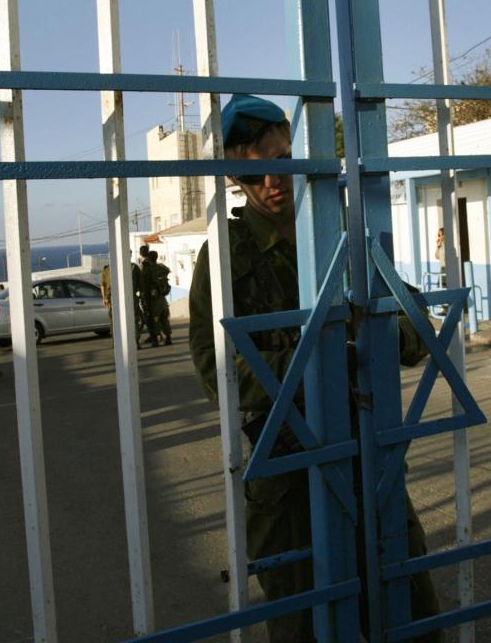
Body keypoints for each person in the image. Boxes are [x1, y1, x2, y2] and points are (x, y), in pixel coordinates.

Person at [189, 94, 442, 642]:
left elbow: (414, 327)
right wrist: (338, 353)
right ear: (235, 177)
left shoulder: (344, 239)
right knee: (307, 623)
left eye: (281, 160)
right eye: (254, 173)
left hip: (366, 454)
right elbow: (219, 373)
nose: (272, 182)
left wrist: (367, 334)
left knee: (408, 610)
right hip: (286, 472)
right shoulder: (226, 258)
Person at [100, 257, 144, 349]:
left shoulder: (108, 269)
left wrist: (105, 298)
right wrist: (141, 295)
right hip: (130, 297)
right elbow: (141, 284)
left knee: (115, 321)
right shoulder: (133, 267)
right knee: (134, 319)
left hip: (114, 299)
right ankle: (135, 342)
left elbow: (103, 285)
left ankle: (116, 343)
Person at [147, 250, 172, 346]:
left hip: (154, 300)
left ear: (149, 258)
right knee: (164, 318)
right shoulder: (162, 268)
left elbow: (145, 284)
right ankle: (168, 338)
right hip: (163, 298)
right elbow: (168, 271)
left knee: (155, 319)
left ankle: (156, 340)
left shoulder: (148, 270)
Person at [139, 245, 159, 347]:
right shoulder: (153, 264)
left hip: (147, 295)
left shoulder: (145, 265)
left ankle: (154, 338)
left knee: (148, 317)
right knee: (153, 316)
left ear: (140, 253)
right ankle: (154, 337)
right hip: (154, 295)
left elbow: (143, 282)